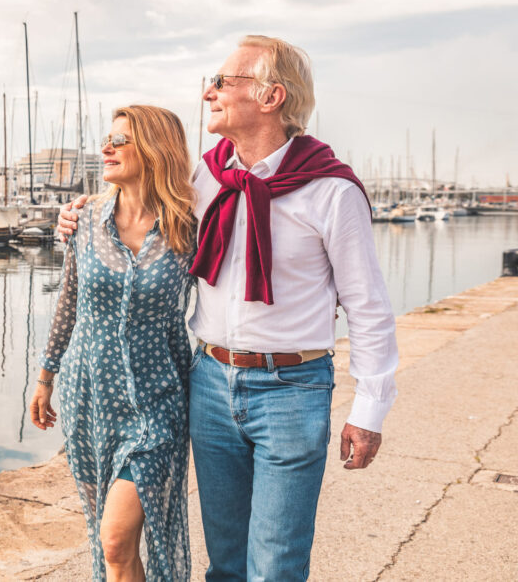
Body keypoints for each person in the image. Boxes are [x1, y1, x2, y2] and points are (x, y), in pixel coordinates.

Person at [57, 36, 398, 581]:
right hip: (210, 382)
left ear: (271, 96)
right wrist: (76, 214)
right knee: (227, 563)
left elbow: (368, 306)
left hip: (293, 388)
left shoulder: (331, 192)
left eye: (222, 82)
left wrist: (370, 410)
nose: (208, 93)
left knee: (276, 565)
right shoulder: (204, 180)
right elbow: (136, 205)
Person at [30, 105, 197, 581]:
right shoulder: (84, 219)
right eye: (108, 138)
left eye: (121, 140)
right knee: (110, 547)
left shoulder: (188, 227)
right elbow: (70, 299)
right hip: (91, 401)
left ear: (154, 150)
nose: (107, 148)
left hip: (157, 402)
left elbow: (228, 300)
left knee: (116, 537)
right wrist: (46, 377)